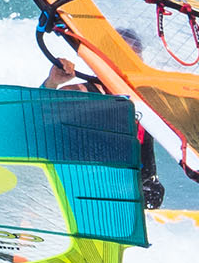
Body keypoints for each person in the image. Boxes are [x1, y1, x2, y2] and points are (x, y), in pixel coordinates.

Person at [43, 53, 165, 209]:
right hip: (90, 187)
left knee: (152, 193)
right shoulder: (82, 93)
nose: (126, 68)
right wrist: (52, 83)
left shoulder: (147, 100)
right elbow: (40, 114)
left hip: (138, 189)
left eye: (133, 62)